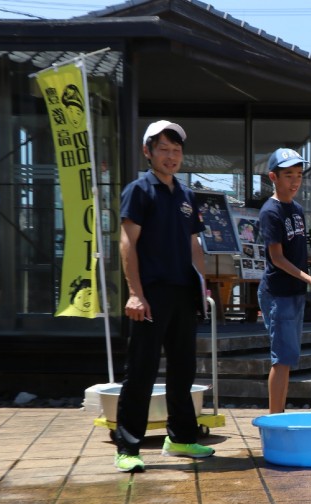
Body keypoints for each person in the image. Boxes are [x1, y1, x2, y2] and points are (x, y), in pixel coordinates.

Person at [112, 120, 214, 473]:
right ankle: (127, 446)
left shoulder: (187, 195)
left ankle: (181, 437)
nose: (171, 157)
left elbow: (193, 244)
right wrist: (135, 294)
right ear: (148, 152)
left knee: (184, 369)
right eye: (164, 150)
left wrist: (202, 288)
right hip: (150, 294)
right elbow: (128, 243)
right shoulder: (139, 191)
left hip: (184, 293)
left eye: (177, 150)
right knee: (141, 370)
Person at [258, 147, 311, 414]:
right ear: (273, 177)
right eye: (288, 174)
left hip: (294, 291)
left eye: (299, 174)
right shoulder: (270, 212)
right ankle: (274, 420)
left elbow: (298, 252)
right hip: (278, 293)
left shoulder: (297, 209)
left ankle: (277, 417)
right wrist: (310, 280)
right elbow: (277, 258)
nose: (295, 180)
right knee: (282, 359)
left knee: (287, 358)